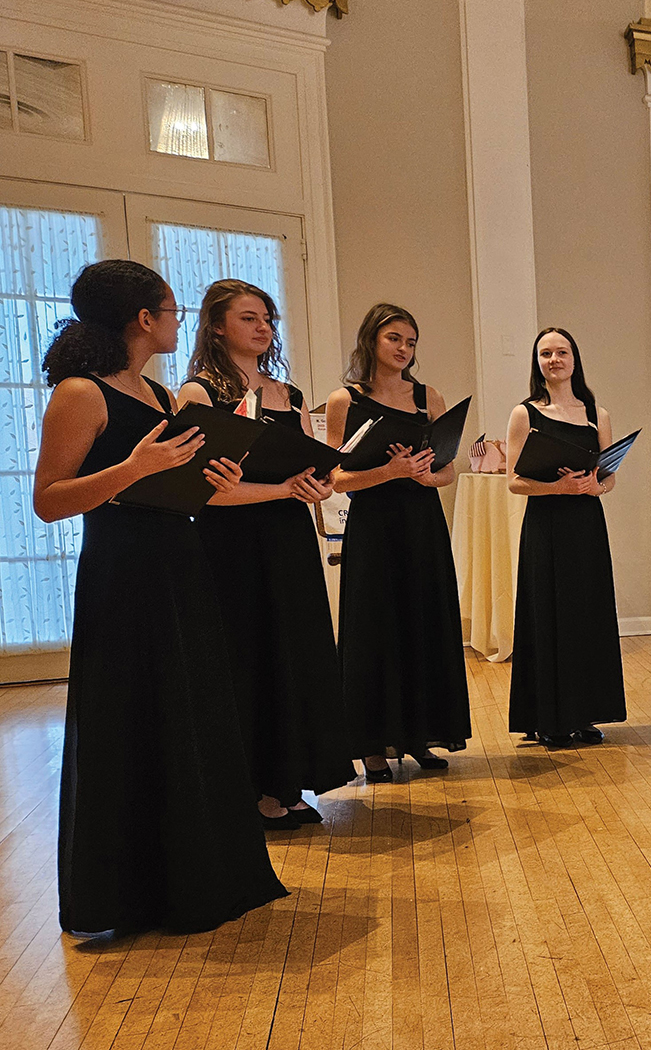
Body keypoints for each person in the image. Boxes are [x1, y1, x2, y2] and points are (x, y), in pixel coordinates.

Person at [34, 259, 286, 934]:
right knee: (129, 719)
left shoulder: (158, 394)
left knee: (190, 714)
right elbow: (49, 501)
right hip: (122, 572)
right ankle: (129, 896)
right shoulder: (80, 394)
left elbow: (182, 491)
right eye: (172, 312)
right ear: (143, 319)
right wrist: (133, 468)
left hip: (181, 562)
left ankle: (198, 878)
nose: (178, 323)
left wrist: (220, 476)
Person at [178, 279, 356, 828]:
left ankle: (288, 781)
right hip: (230, 544)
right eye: (250, 318)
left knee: (294, 655)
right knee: (247, 659)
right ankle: (252, 791)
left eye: (268, 319)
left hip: (287, 540)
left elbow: (314, 471)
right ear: (216, 326)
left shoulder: (290, 394)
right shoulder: (199, 394)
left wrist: (317, 487)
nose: (263, 328)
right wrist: (285, 490)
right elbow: (203, 489)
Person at [325, 303, 470, 780]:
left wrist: (429, 477)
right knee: (375, 629)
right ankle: (371, 745)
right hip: (374, 526)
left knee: (424, 625)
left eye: (411, 341)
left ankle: (420, 736)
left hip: (422, 524)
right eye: (395, 339)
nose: (404, 349)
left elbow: (448, 470)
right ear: (372, 340)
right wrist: (389, 471)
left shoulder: (430, 397)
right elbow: (336, 478)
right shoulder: (345, 400)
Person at [506, 328, 626, 748]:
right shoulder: (525, 414)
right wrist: (557, 488)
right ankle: (548, 717)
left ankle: (583, 712)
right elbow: (515, 482)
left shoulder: (598, 413)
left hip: (586, 525)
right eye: (545, 353)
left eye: (562, 351)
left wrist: (597, 488)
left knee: (586, 615)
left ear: (575, 358)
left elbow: (608, 478)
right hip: (546, 525)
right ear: (537, 362)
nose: (554, 359)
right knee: (548, 615)